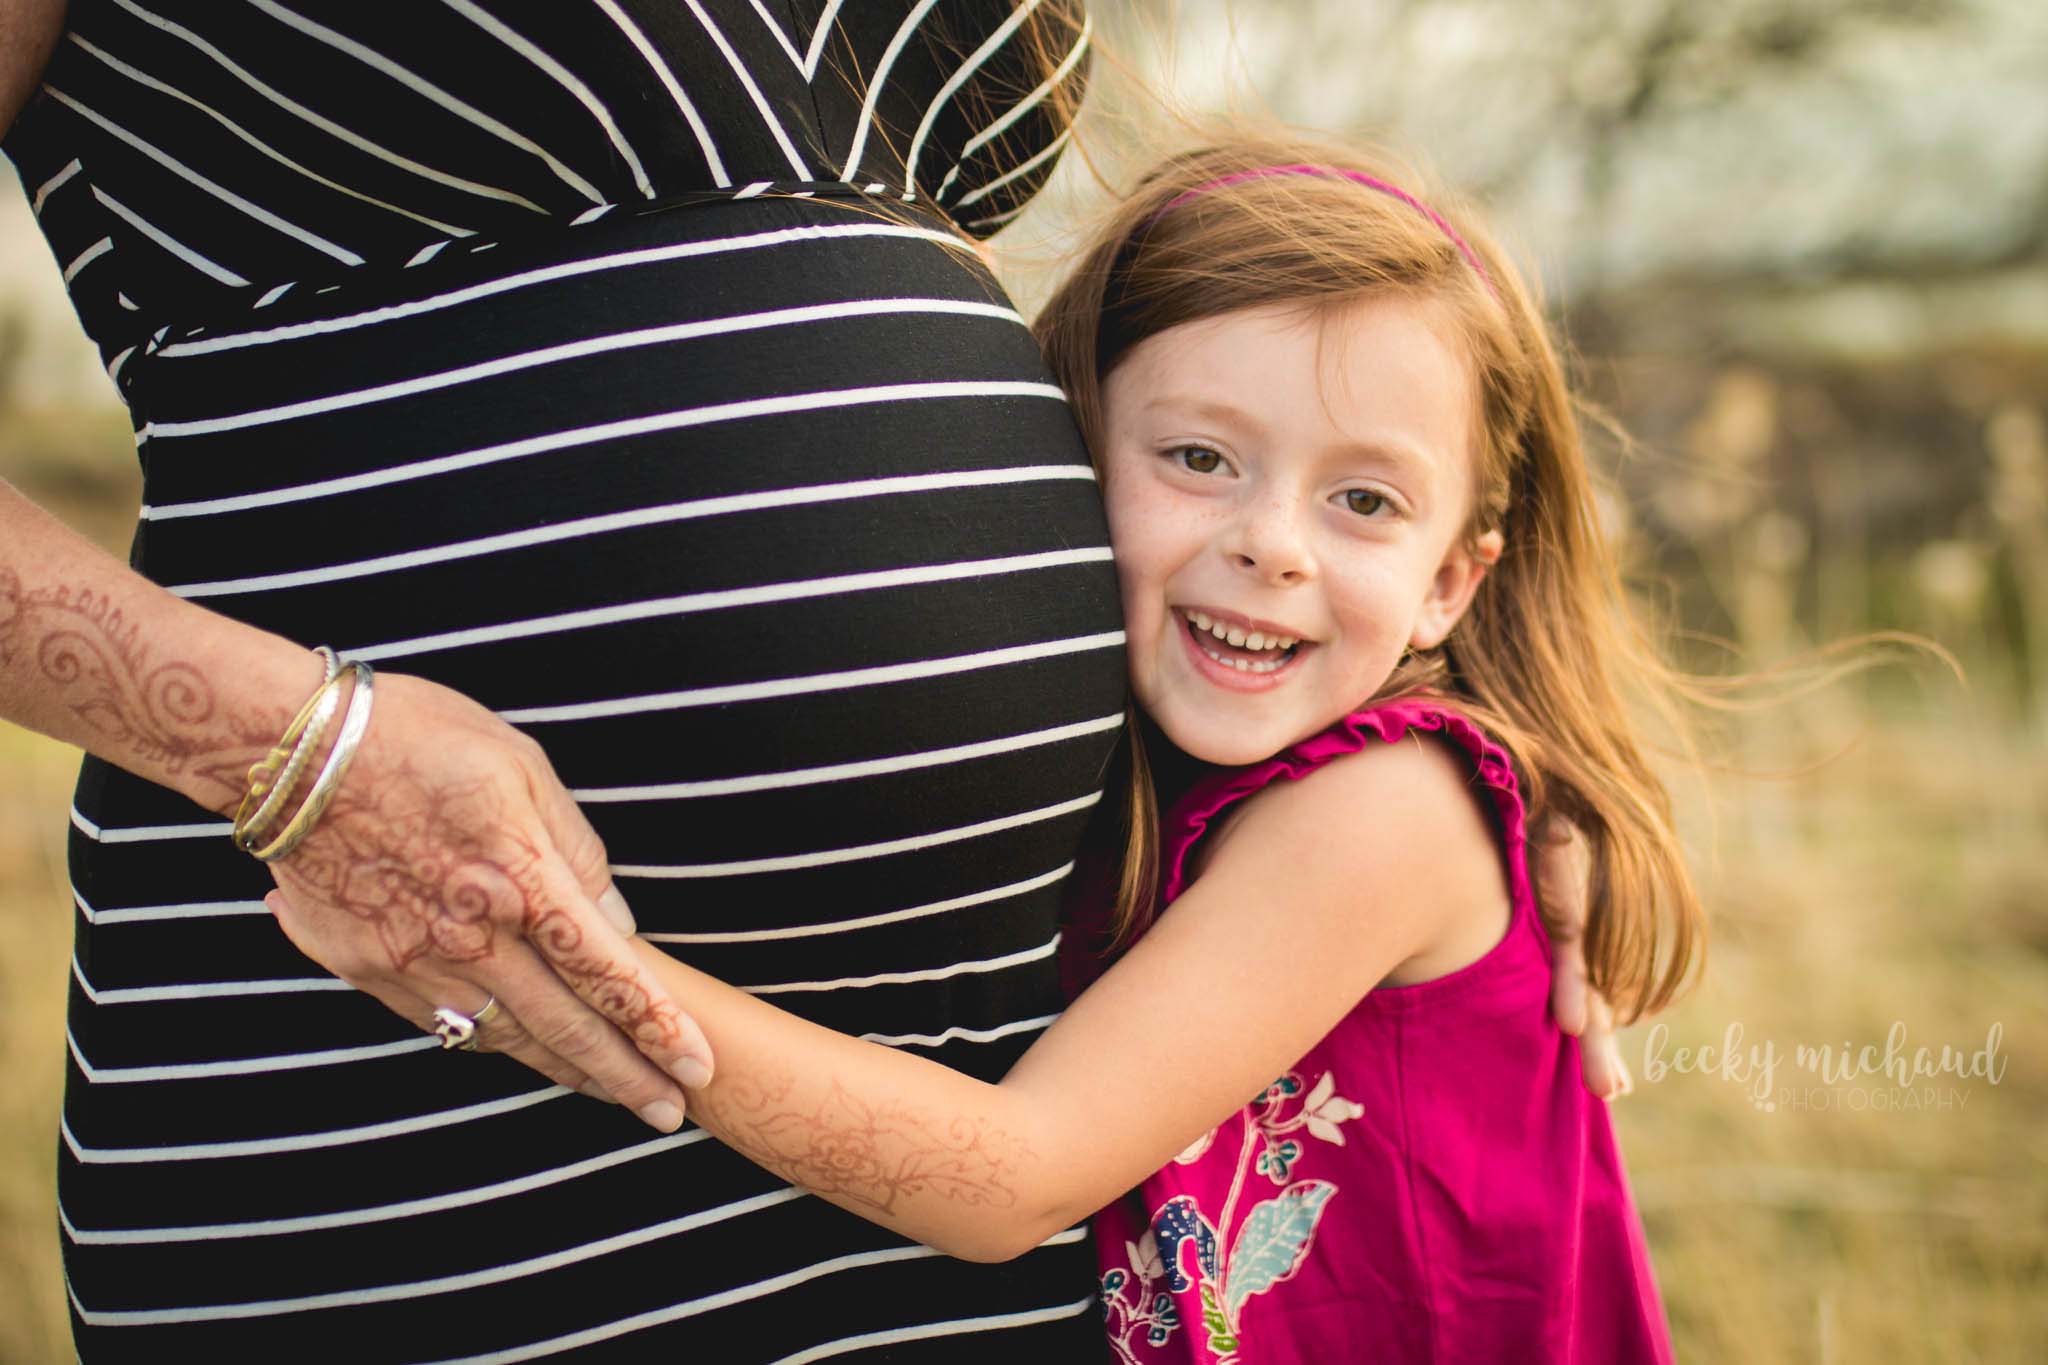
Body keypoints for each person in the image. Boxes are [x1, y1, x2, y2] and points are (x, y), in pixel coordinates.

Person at [2, 4, 1620, 1359]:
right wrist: (302, 753)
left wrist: (1461, 794)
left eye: (1354, 504)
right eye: (1198, 458)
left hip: (935, 1188)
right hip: (414, 1084)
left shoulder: (1384, 810)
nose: (1270, 545)